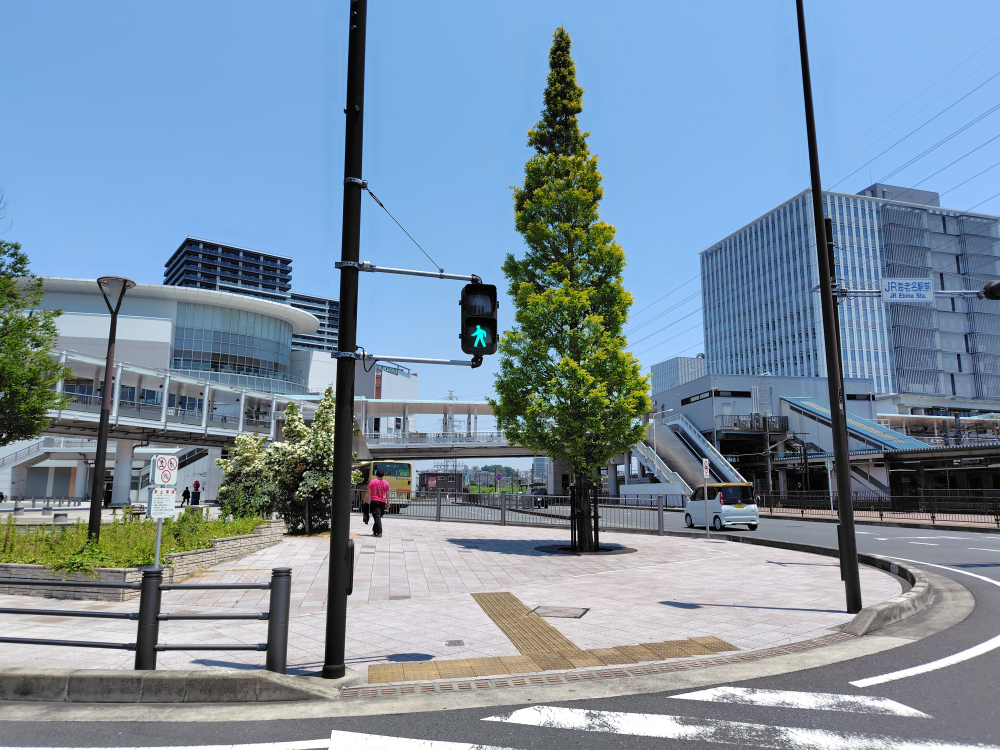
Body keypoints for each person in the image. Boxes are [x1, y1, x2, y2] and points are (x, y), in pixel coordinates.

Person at [367, 469, 390, 538]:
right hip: (382, 501)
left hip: (374, 501)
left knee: (377, 516)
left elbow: (368, 491)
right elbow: (387, 494)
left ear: (376, 474)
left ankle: (378, 531)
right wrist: (388, 502)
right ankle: (376, 531)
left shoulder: (372, 482)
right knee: (378, 516)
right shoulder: (386, 483)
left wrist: (365, 499)